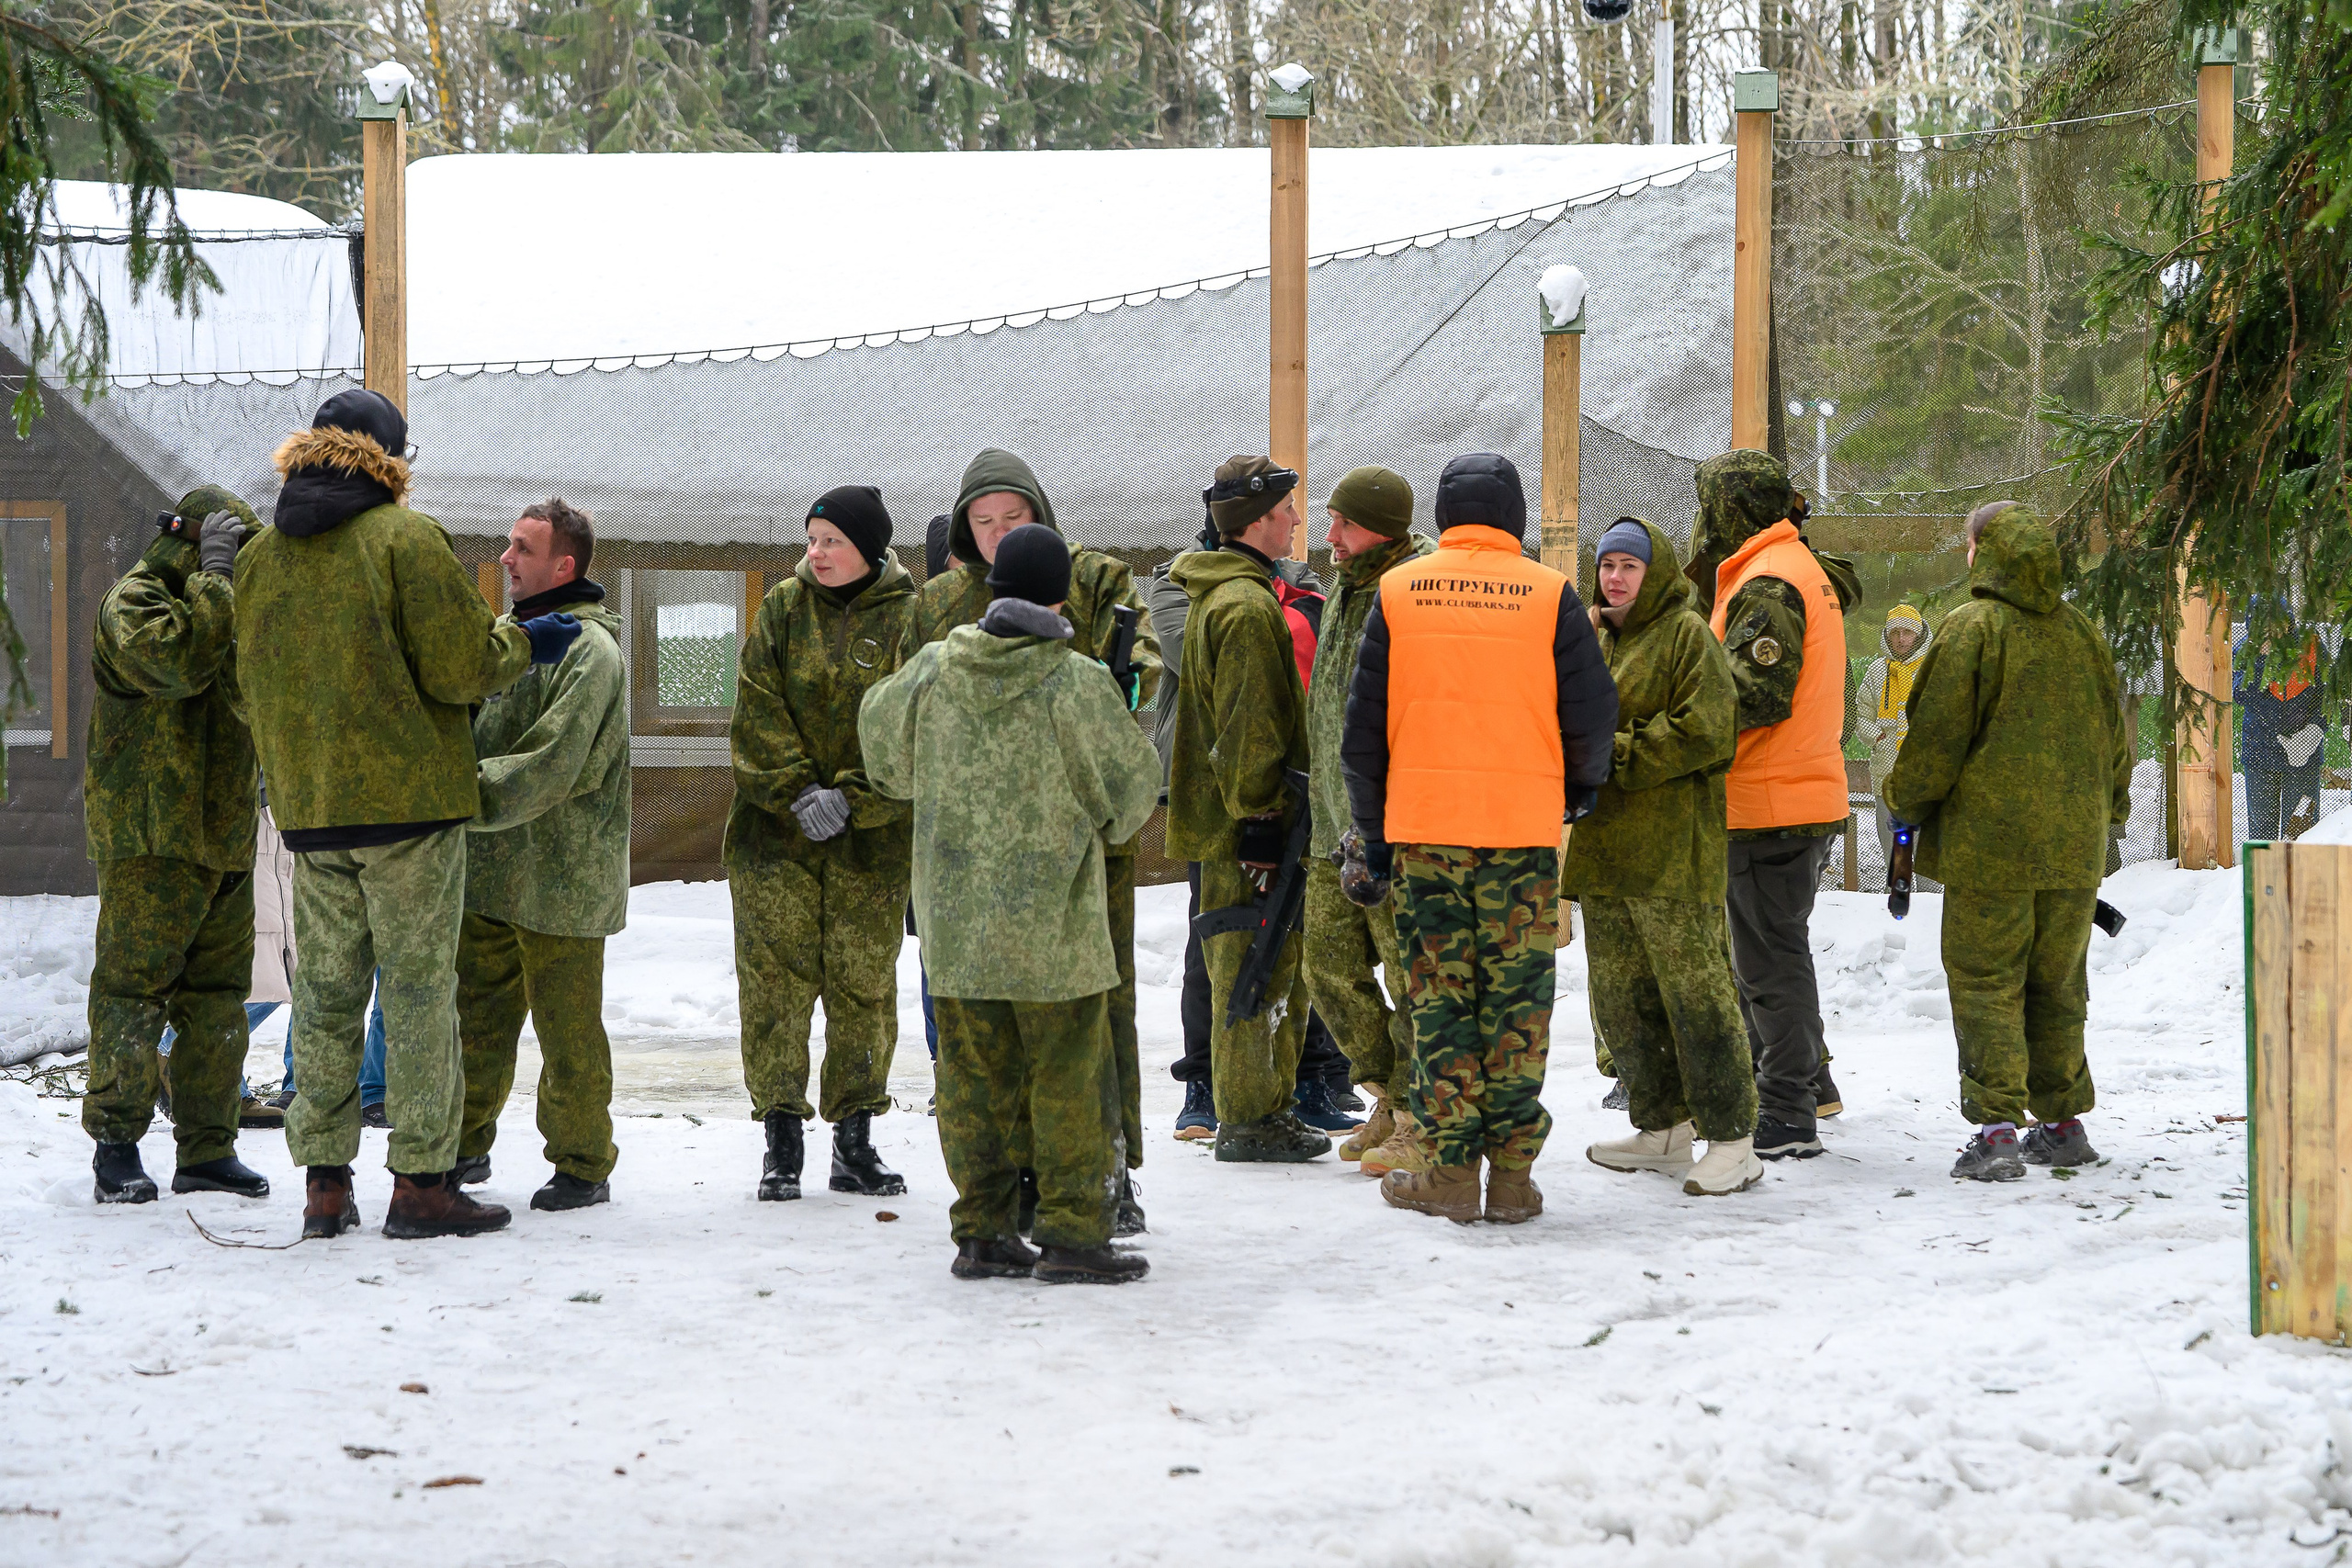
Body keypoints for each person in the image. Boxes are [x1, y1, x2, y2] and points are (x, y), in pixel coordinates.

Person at [238, 389, 579, 1240]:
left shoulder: (259, 559)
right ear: (389, 457)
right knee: (422, 993)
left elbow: (250, 692)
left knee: (323, 997)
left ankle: (323, 1186)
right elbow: (462, 663)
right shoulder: (403, 540)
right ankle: (423, 1182)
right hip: (410, 814)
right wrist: (529, 642)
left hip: (312, 816)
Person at [862, 524, 1161, 1283]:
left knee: (969, 1085)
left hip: (957, 925)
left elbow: (883, 761)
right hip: (1056, 933)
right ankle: (1070, 1234)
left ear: (990, 591)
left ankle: (983, 1231)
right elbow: (1129, 801)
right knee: (1065, 1083)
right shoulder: (1079, 682)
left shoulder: (932, 669)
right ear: (1061, 597)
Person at [1340, 453, 1616, 1223]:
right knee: (1517, 1008)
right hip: (1520, 836)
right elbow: (1593, 717)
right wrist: (1575, 791)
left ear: (1442, 513)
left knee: (1440, 1004)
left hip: (1427, 834)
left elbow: (1361, 735)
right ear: (1516, 517)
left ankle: (1449, 1172)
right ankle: (1516, 1178)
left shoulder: (1398, 591)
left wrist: (1375, 834)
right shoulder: (1549, 593)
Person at [918, 450, 1159, 1228]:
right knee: (984, 1035)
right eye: (981, 523)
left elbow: (1141, 671)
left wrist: (1089, 690)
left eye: (1011, 520)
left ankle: (1104, 1175)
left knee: (1093, 1017)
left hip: (1076, 848)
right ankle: (1019, 1183)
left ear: (1039, 515)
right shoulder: (940, 603)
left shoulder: (1095, 579)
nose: (995, 536)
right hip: (968, 855)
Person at [1883, 502, 2132, 1181]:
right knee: (2057, 983)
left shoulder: (1972, 630)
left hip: (1992, 853)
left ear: (1981, 550)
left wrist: (1905, 803)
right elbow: (2118, 740)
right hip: (2073, 852)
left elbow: (1934, 741)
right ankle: (2062, 1125)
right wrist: (2109, 814)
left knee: (1988, 979)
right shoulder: (2083, 633)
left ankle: (1996, 1133)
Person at [81, 489, 273, 1203]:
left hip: (222, 837)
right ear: (195, 548)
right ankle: (117, 1146)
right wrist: (216, 579)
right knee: (134, 991)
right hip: (151, 837)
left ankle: (206, 1149)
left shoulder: (223, 612)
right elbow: (181, 664)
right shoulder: (132, 604)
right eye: (230, 555)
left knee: (219, 1000)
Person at [729, 486, 919, 1202]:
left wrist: (855, 798)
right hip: (775, 839)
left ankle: (855, 1139)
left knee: (862, 984)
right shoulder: (782, 609)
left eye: (831, 540)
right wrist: (798, 791)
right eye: (812, 539)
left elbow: (912, 722)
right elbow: (755, 705)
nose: (816, 554)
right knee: (775, 985)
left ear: (869, 547)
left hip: (869, 845)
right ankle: (781, 1138)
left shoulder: (910, 619)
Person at [1569, 519, 1761, 1197]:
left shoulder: (1686, 634)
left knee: (1696, 998)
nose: (1615, 576)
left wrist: (1613, 754)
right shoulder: (1595, 636)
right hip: (1608, 850)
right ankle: (1663, 1127)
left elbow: (1709, 731)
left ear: (1658, 569)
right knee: (1623, 999)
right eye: (1607, 564)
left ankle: (1734, 1139)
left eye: (1629, 564)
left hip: (1674, 853)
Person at [451, 499, 630, 1212]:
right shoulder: (504, 640)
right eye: (507, 544)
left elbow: (556, 762)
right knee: (476, 1021)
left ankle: (583, 1162)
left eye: (522, 548)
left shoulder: (590, 652)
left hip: (564, 876)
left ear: (565, 565)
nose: (505, 558)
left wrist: (457, 795)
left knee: (568, 1032)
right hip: (489, 872)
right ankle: (461, 1146)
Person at [1148, 530, 1355, 1142]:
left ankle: (1314, 1076)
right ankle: (1204, 1083)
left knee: (1302, 928)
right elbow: (1198, 651)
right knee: (1215, 937)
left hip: (1301, 779)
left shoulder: (1302, 580)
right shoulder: (1177, 580)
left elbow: (1322, 646)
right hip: (1212, 787)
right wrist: (1277, 615)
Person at [1690, 448, 1857, 1162]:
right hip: (1790, 791)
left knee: (1768, 962)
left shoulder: (1768, 582)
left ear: (1729, 507)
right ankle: (1803, 1086)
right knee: (1769, 953)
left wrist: (1679, 726)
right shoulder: (1789, 567)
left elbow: (1753, 695)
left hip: (1768, 797)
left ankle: (1786, 1110)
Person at [1166, 456, 1325, 1163]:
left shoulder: (1226, 594)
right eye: (1288, 508)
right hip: (1247, 828)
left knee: (1247, 964)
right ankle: (1251, 1117)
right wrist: (1262, 821)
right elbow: (1250, 725)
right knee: (1253, 970)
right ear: (1259, 520)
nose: (1297, 519)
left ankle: (1257, 1108)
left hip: (1231, 822)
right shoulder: (1248, 608)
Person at [1300, 465, 1432, 1177]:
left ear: (1381, 525)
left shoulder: (1410, 588)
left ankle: (1414, 1111)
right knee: (1325, 962)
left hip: (1387, 829)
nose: (1331, 536)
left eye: (1343, 523)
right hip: (1330, 823)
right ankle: (1387, 1087)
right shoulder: (1348, 589)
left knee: (1411, 973)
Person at [2235, 611, 2326, 841]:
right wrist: (2261, 661)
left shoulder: (2312, 648)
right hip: (2260, 754)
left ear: (2289, 622)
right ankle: (2263, 878)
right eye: (2261, 626)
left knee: (2302, 831)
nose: (2270, 632)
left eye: (2276, 624)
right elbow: (2242, 695)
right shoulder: (2245, 650)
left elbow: (2328, 697)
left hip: (2303, 755)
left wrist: (2313, 733)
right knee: (2262, 835)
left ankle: (2301, 878)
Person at [1856, 604, 1932, 872]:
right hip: (1886, 776)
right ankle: (1896, 901)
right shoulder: (1877, 671)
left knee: (1926, 852)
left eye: (1907, 632)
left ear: (1919, 634)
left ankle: (1929, 902)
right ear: (1887, 635)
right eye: (1895, 632)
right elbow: (1860, 715)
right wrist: (1876, 736)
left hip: (1926, 776)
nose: (1901, 638)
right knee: (1892, 850)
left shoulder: (1933, 666)